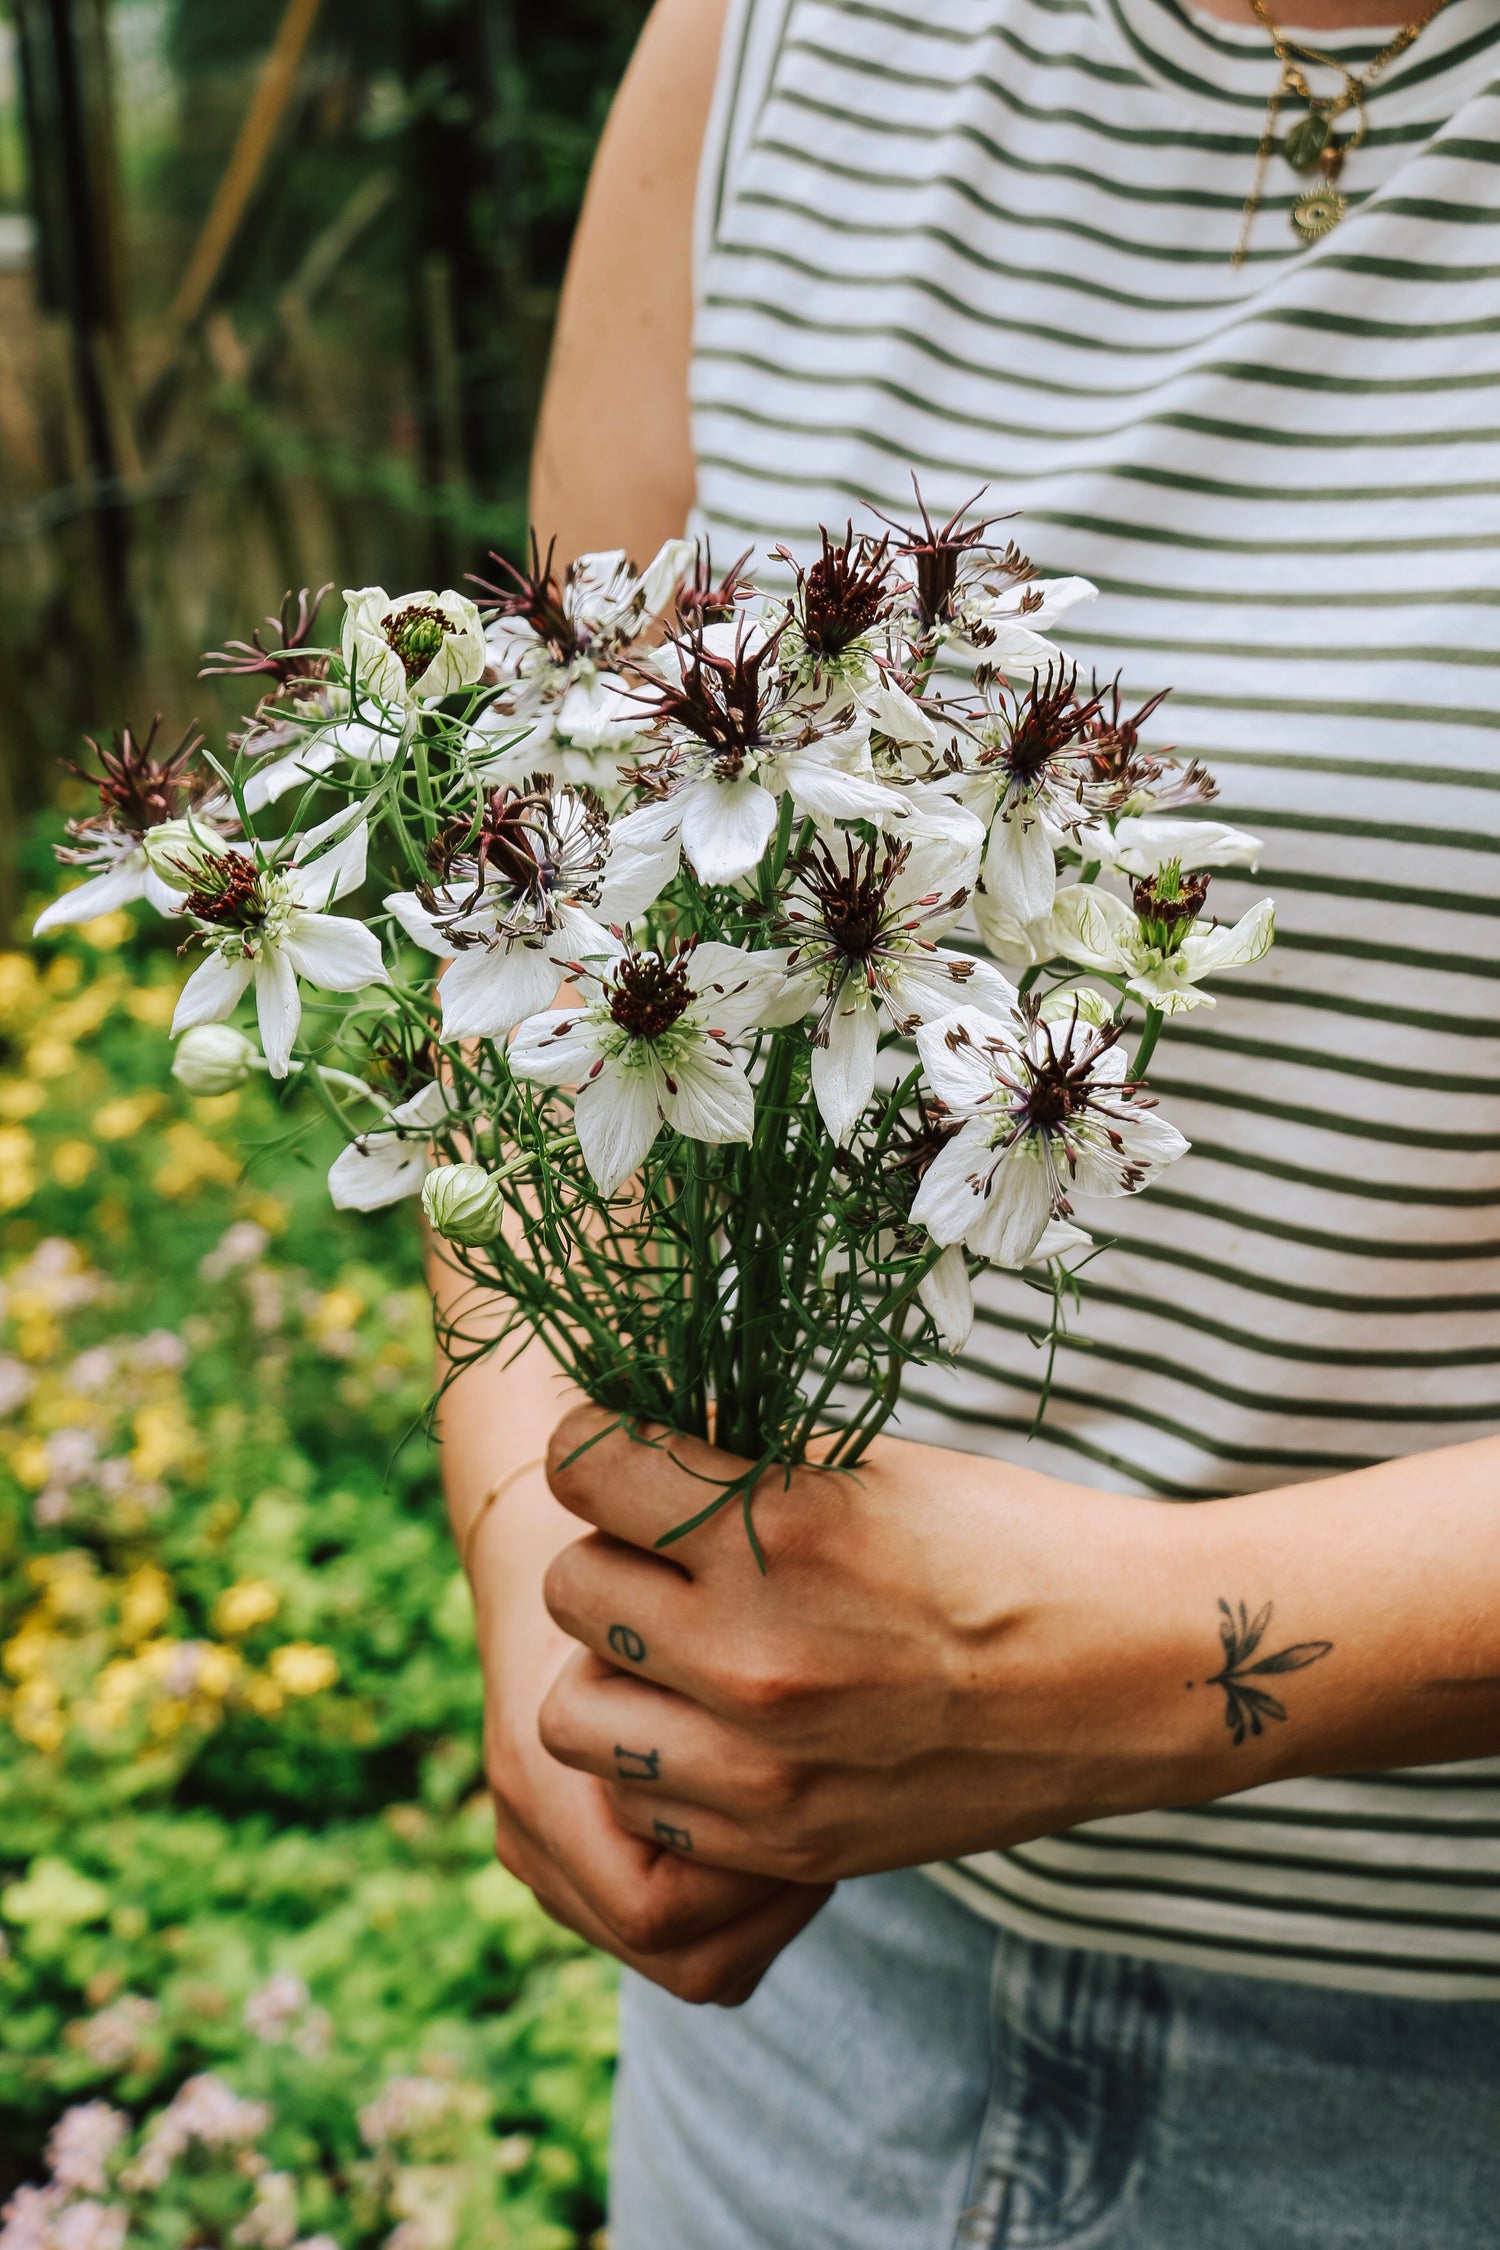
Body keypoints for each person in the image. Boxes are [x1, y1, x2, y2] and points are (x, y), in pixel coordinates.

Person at [437, 0, 1500, 2241]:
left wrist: (1129, 1653)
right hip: (812, 2020)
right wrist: (560, 1599)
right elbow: (527, 891)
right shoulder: (767, 38)